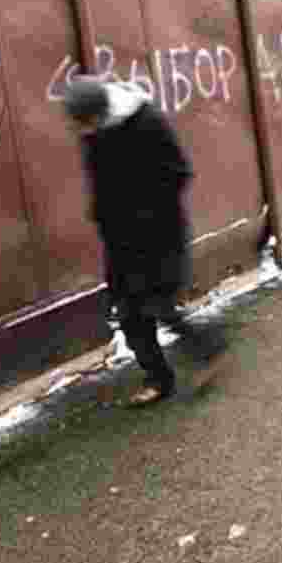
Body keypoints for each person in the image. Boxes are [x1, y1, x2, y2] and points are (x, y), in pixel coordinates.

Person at [63, 78, 225, 406]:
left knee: (157, 304)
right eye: (79, 125)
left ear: (101, 111)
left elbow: (179, 172)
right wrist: (102, 215)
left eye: (85, 122)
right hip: (119, 238)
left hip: (159, 235)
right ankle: (159, 381)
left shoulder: (146, 122)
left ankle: (208, 349)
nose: (82, 130)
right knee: (129, 314)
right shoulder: (92, 133)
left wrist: (143, 209)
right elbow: (101, 181)